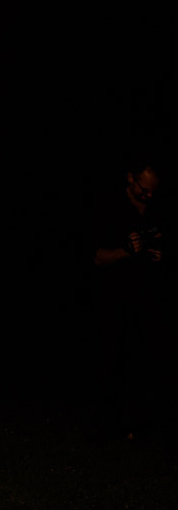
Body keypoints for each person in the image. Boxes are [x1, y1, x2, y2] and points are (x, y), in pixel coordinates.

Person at [89, 160, 166, 435]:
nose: (148, 195)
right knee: (110, 362)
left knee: (145, 363)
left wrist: (159, 255)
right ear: (130, 179)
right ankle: (104, 426)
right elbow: (97, 257)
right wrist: (125, 251)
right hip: (113, 301)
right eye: (144, 190)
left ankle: (138, 426)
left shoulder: (158, 209)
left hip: (147, 301)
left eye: (153, 191)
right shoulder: (110, 208)